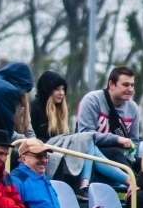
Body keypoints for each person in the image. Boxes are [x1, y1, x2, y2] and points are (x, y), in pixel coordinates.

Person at [31, 71, 131, 199]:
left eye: (63, 89)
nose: (61, 93)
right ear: (47, 89)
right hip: (46, 147)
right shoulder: (34, 107)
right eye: (57, 89)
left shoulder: (59, 109)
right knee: (87, 139)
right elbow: (32, 137)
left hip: (61, 145)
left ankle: (87, 184)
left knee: (89, 141)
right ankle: (126, 179)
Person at [76, 66, 140, 170]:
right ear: (111, 84)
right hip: (92, 153)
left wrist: (130, 155)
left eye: (132, 85)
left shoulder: (133, 108)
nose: (130, 89)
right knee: (115, 153)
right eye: (125, 85)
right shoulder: (92, 100)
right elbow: (85, 134)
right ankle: (134, 180)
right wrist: (117, 139)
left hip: (122, 156)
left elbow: (134, 141)